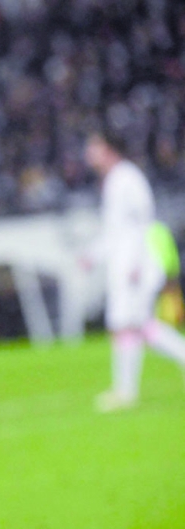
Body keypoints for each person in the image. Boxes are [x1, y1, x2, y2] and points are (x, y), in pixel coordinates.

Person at [82, 131, 185, 412]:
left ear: (109, 149)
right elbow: (116, 231)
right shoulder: (116, 180)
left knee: (128, 325)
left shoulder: (126, 178)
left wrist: (138, 263)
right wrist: (93, 254)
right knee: (137, 325)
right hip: (126, 264)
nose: (88, 152)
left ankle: (125, 392)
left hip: (134, 267)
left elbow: (143, 221)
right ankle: (125, 391)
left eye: (94, 146)